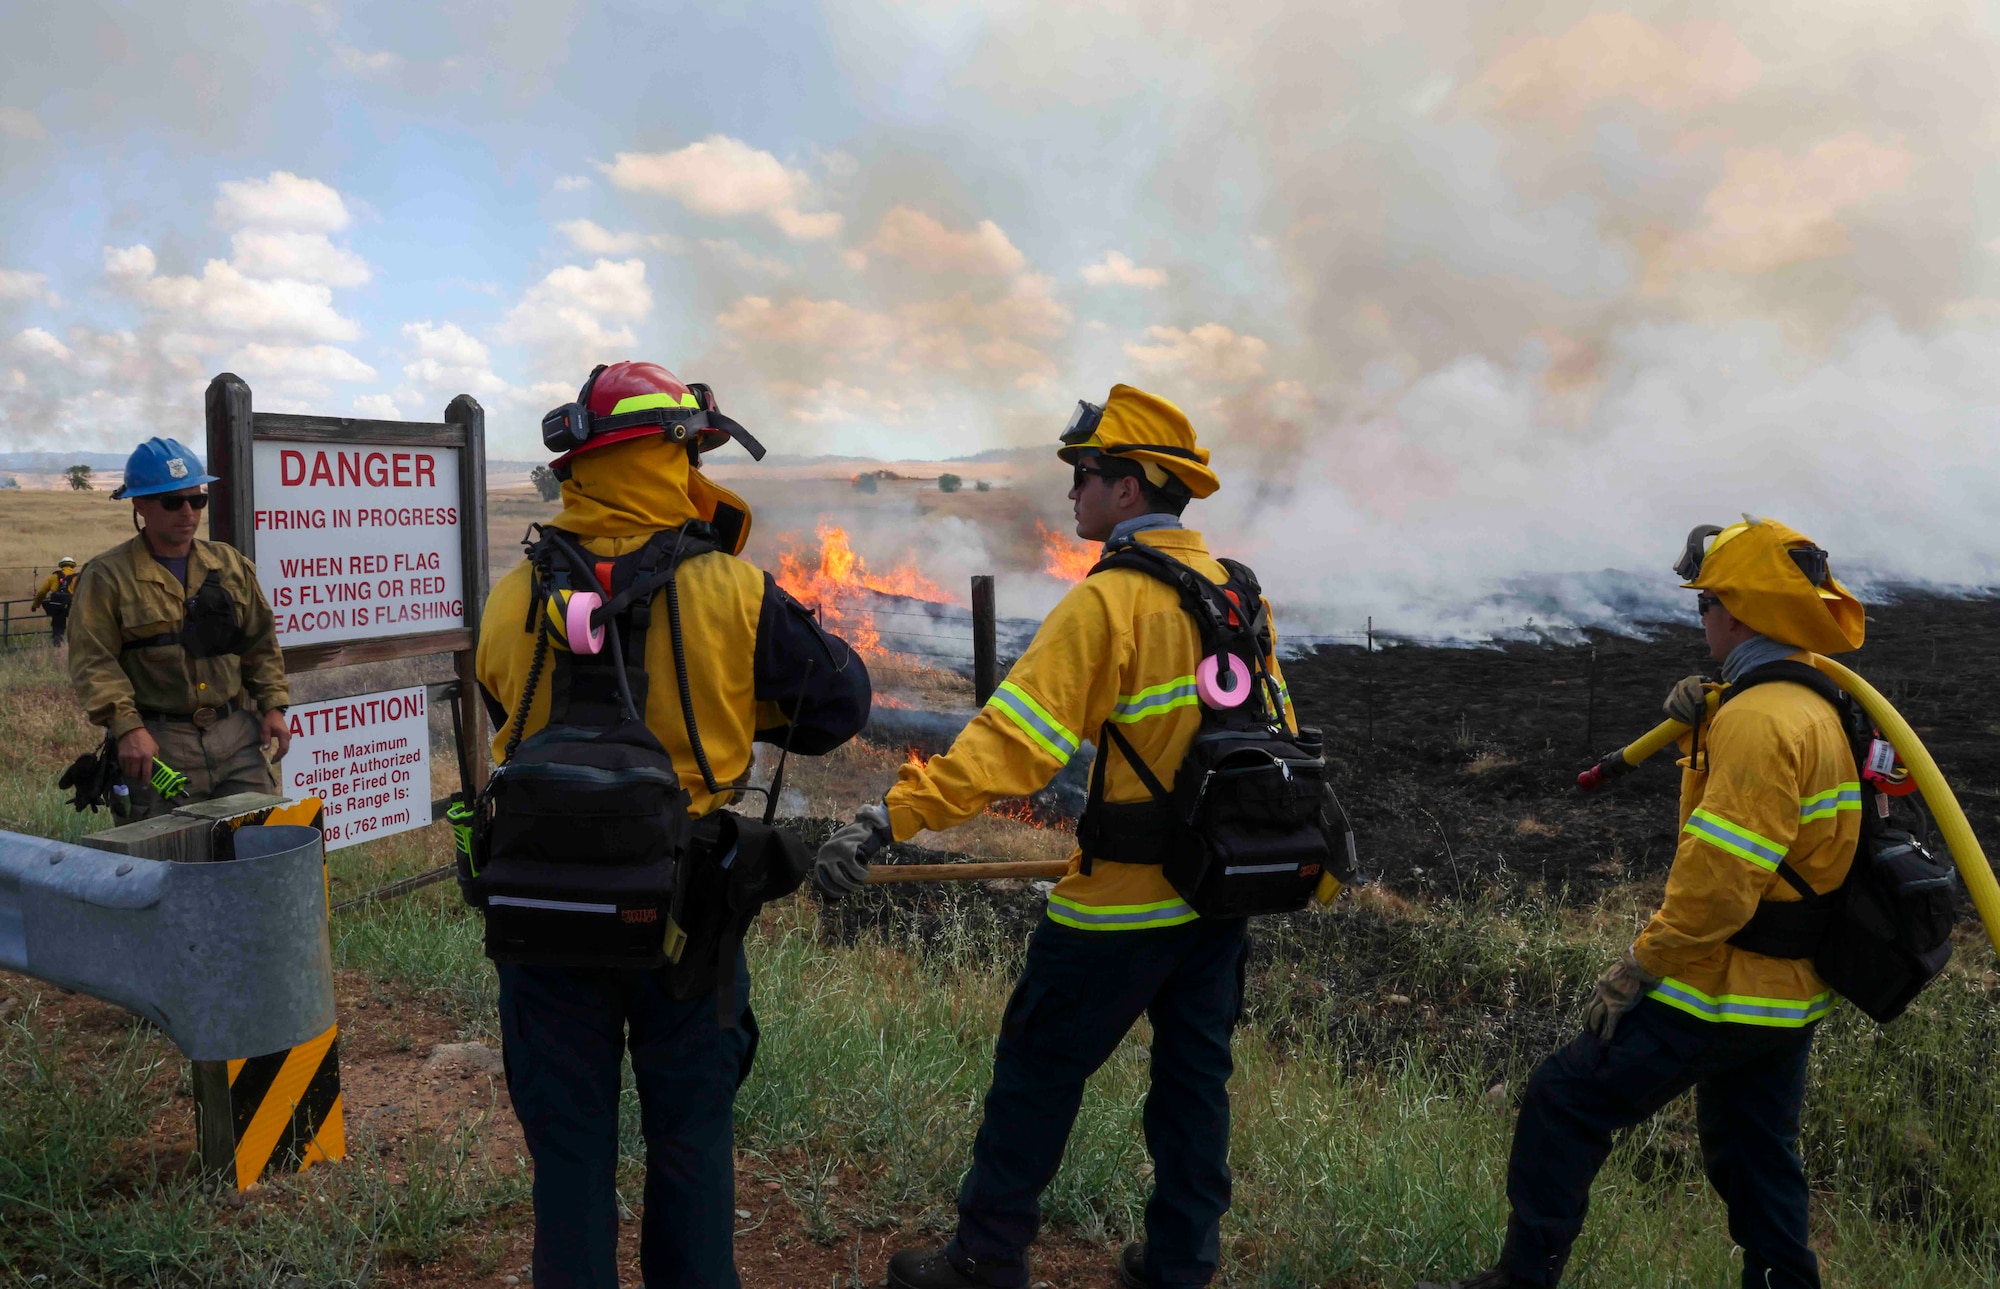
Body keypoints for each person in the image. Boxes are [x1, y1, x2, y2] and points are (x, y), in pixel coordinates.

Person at [814, 384, 1298, 1289]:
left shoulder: (1108, 603)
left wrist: (889, 815)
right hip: (1217, 895)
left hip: (1118, 907)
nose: (1071, 490)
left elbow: (1010, 749)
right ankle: (1182, 1261)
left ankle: (989, 1256)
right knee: (1194, 1087)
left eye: (1084, 473)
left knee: (1037, 1070)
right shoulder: (1239, 596)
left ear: (1131, 487)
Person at [475, 360, 870, 1289]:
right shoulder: (735, 592)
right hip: (687, 916)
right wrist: (737, 708)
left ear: (582, 463)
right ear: (672, 452)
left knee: (568, 1159)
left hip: (542, 917)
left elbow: (506, 708)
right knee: (690, 1146)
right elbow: (836, 708)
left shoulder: (508, 596)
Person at [1421, 517, 1868, 1289]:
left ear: (1737, 611)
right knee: (1757, 1156)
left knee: (1565, 1099)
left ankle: (1521, 1282)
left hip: (1720, 985)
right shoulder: (1804, 702)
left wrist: (1640, 965)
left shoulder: (1762, 720)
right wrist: (1712, 715)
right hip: (1786, 994)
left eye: (1705, 603)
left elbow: (1720, 881)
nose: (1701, 617)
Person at [66, 438, 290, 817]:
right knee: (170, 864)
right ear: (140, 505)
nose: (187, 512)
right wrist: (128, 728)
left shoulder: (229, 564)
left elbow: (260, 642)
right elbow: (94, 661)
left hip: (235, 736)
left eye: (197, 499)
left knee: (262, 852)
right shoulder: (108, 577)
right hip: (157, 745)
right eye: (172, 501)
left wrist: (274, 705)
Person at [33, 556, 79, 646]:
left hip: (57, 606)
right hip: (72, 606)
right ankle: (75, 645)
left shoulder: (53, 577)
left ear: (61, 566)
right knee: (76, 626)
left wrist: (35, 605)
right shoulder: (77, 578)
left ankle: (57, 645)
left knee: (58, 628)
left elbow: (42, 592)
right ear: (73, 566)